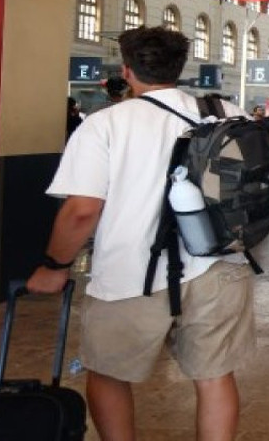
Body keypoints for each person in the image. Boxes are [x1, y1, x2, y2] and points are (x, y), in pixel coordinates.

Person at [27, 26, 255, 441]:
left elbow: (82, 211)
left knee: (109, 374)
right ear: (180, 67)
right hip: (219, 263)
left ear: (126, 70)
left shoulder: (106, 124)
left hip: (130, 272)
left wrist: (54, 267)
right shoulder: (227, 112)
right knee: (214, 376)